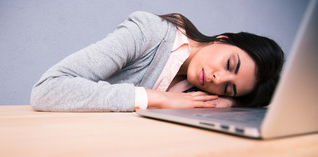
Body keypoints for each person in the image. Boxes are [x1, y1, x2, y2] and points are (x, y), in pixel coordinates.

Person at [30, 11, 284, 112]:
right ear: (223, 39)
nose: (218, 79)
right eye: (230, 65)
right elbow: (47, 90)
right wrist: (156, 98)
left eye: (228, 87)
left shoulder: (196, 90)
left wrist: (229, 102)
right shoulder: (149, 32)